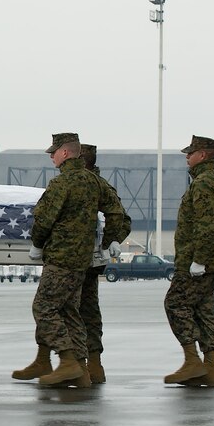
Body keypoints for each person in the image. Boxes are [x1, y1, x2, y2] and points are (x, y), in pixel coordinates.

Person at [12, 132, 122, 388]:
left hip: (61, 258)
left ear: (65, 152)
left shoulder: (61, 184)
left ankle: (68, 360)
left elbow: (44, 218)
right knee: (70, 312)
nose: (51, 156)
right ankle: (81, 372)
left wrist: (37, 244)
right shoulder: (94, 182)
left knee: (44, 308)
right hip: (83, 260)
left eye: (54, 151)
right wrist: (110, 241)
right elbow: (116, 209)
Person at [163, 135, 214, 387]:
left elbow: (207, 225)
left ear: (202, 155)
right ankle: (210, 368)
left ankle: (192, 360)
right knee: (204, 309)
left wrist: (199, 260)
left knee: (175, 303)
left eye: (190, 152)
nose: (187, 156)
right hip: (208, 260)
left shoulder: (203, 183)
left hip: (198, 261)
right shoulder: (209, 180)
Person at [79, 144, 131, 383]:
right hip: (84, 259)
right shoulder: (101, 186)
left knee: (72, 310)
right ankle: (91, 364)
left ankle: (84, 364)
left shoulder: (94, 186)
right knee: (88, 310)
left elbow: (122, 219)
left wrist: (112, 240)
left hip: (81, 260)